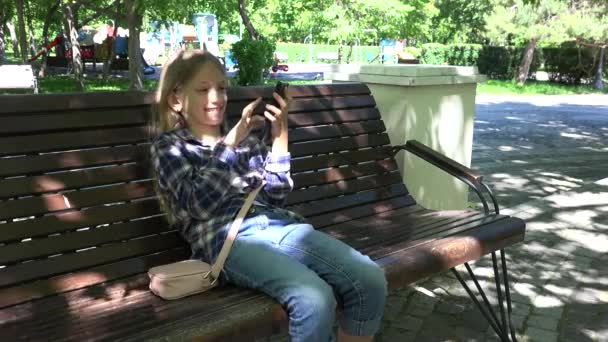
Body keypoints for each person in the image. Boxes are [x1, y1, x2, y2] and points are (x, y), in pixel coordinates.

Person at [150, 49, 387, 342]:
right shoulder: (170, 148)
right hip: (227, 241)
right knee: (314, 299)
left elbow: (276, 195)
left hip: (277, 225)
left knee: (370, 279)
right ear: (176, 99)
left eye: (221, 88)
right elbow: (198, 205)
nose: (217, 97)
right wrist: (229, 145)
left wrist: (280, 133)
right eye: (203, 89)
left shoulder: (247, 142)